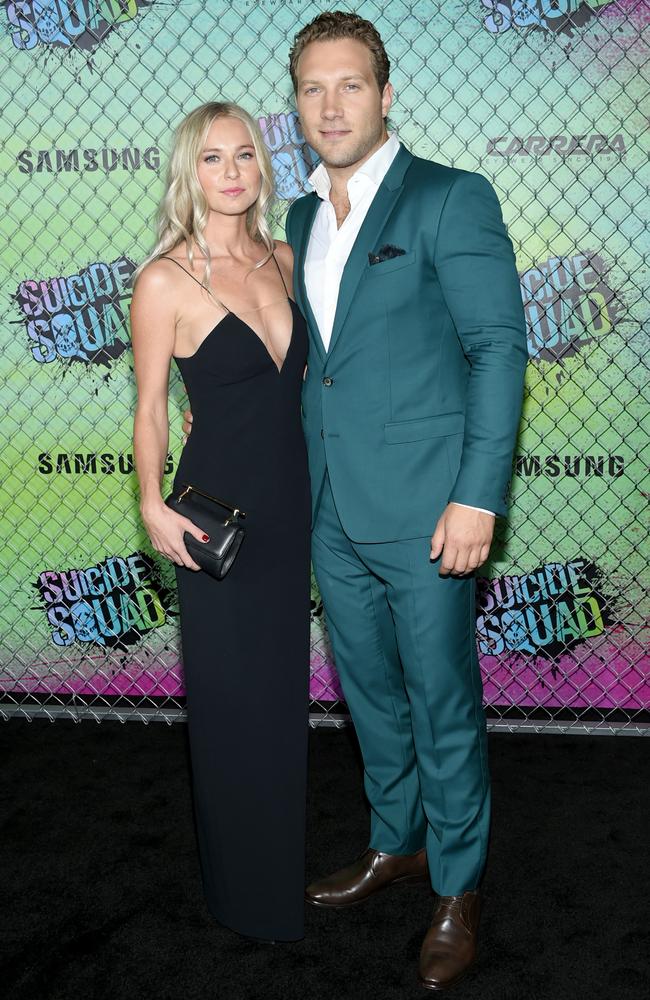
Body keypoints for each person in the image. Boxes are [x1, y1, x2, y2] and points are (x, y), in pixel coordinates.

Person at [184, 11, 528, 988]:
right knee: (368, 693)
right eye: (310, 88)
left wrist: (476, 497)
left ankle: (457, 884)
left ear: (384, 95)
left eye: (348, 85)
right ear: (293, 108)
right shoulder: (294, 220)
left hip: (429, 512)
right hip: (327, 508)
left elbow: (497, 348)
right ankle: (395, 842)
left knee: (440, 699)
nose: (329, 105)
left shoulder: (448, 199)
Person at [130, 102, 312, 943]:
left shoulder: (285, 256)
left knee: (279, 701)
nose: (232, 171)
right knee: (231, 702)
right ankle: (244, 896)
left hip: (292, 505)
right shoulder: (165, 279)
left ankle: (280, 868)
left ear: (262, 167)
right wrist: (149, 504)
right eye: (212, 158)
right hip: (217, 521)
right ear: (188, 172)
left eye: (245, 155)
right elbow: (154, 412)